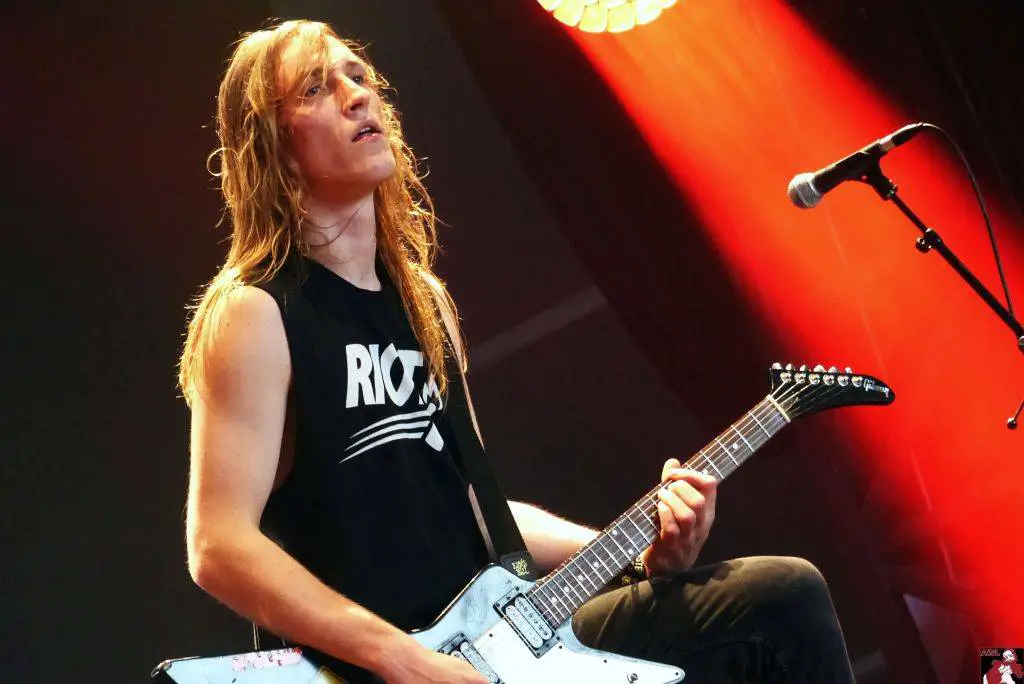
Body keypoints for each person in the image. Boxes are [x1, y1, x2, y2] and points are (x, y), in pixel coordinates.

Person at [179, 19, 856, 684]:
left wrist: (635, 552)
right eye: (315, 88)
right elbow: (218, 545)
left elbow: (478, 509)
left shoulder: (423, 305)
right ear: (272, 144)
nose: (356, 95)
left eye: (358, 76)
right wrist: (401, 659)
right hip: (378, 666)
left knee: (779, 599)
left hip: (494, 646)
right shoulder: (257, 311)